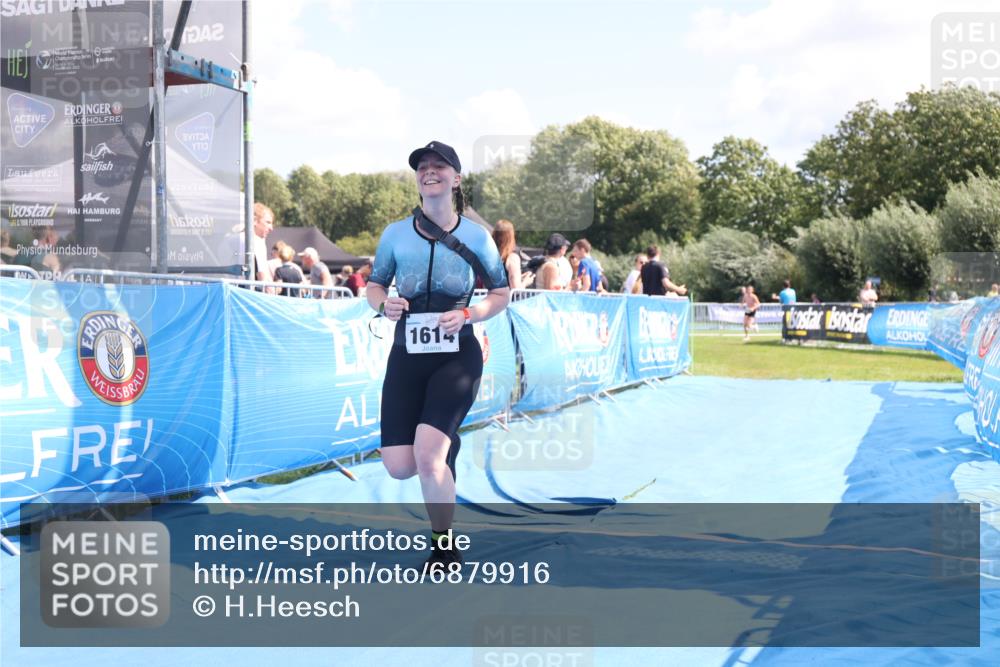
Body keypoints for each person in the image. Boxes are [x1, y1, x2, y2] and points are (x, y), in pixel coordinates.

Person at [365, 141, 510, 571]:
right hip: (407, 351)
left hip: (457, 355)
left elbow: (501, 292)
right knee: (399, 466)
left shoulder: (476, 237)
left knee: (427, 459)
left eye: (439, 166)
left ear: (456, 178)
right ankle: (445, 448)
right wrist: (381, 304)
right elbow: (375, 285)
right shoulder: (394, 234)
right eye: (422, 167)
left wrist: (469, 312)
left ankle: (444, 546)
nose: (430, 172)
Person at [492, 220, 524, 290]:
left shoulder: (489, 257)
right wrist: (526, 282)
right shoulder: (512, 258)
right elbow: (516, 288)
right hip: (509, 299)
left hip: (492, 298)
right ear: (511, 236)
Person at [252, 203, 275, 290]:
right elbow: (263, 276)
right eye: (268, 222)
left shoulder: (229, 238)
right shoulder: (257, 242)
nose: (271, 228)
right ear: (254, 220)